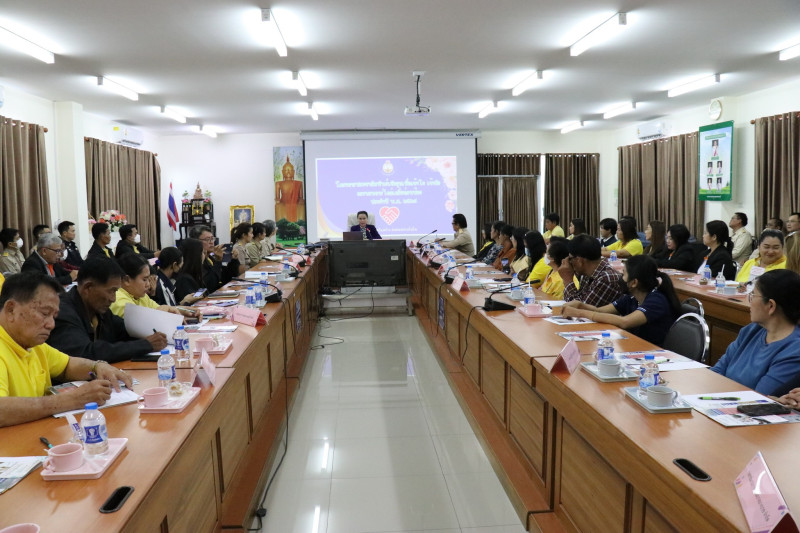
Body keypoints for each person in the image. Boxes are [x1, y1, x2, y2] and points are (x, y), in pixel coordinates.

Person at [0, 272, 133, 427]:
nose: (51, 324)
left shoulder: (33, 345)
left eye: (54, 316)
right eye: (44, 313)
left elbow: (67, 365)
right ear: (11, 310)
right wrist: (72, 399)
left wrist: (97, 366)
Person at [48, 258, 168, 362]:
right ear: (88, 288)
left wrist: (156, 336)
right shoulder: (62, 312)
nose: (113, 299)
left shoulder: (99, 310)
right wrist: (145, 344)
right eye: (111, 291)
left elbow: (126, 330)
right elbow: (86, 353)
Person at [711, 270, 800, 396]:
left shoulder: (794, 351)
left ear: (771, 306)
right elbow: (716, 372)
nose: (750, 301)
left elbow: (759, 398)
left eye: (753, 295)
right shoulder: (751, 330)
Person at [562, 255, 680, 346]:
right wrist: (580, 305)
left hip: (654, 351)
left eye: (623, 274)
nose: (620, 278)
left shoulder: (656, 300)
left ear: (634, 282)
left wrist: (580, 313)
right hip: (637, 345)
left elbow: (625, 321)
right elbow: (599, 311)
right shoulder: (631, 296)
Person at [110, 253, 194, 319]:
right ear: (126, 280)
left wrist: (185, 311)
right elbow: (144, 324)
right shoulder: (118, 300)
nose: (148, 284)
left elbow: (160, 309)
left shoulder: (140, 296)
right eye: (144, 280)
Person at [559, 234, 623, 307]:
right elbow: (578, 300)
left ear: (579, 261)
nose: (569, 262)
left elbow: (579, 309)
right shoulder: (587, 273)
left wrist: (567, 279)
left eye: (570, 259)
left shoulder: (606, 278)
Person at [189, 225, 226, 292]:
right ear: (196, 241)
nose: (211, 242)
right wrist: (218, 261)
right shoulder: (196, 262)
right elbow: (210, 285)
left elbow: (224, 279)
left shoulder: (211, 258)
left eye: (212, 238)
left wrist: (234, 260)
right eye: (207, 239)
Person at [174, 238, 209, 304]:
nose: (204, 256)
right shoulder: (185, 279)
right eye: (202, 252)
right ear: (195, 256)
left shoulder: (192, 275)